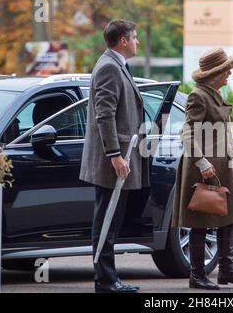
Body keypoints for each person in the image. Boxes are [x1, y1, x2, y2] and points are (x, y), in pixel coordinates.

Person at [172, 48, 233, 290]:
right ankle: (197, 276)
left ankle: (227, 271)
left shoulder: (213, 94)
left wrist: (232, 150)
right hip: (205, 169)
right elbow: (187, 133)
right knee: (200, 222)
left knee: (227, 218)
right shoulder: (198, 96)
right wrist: (203, 162)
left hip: (222, 166)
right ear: (215, 74)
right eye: (226, 70)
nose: (229, 73)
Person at [79, 19, 149, 293]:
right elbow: (104, 115)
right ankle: (106, 281)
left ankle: (108, 279)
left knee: (110, 219)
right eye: (135, 37)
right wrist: (115, 155)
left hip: (117, 158)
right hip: (113, 161)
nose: (137, 41)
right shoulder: (109, 66)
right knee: (106, 220)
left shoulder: (114, 64)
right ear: (123, 40)